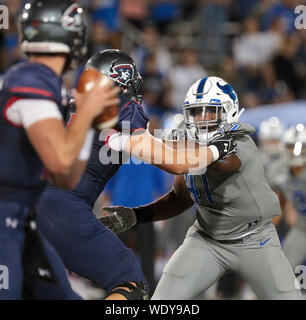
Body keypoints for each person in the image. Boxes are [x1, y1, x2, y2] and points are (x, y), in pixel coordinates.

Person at [36, 61, 237, 299]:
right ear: (121, 84)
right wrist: (215, 150)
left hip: (24, 205)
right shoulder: (123, 109)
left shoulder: (68, 107)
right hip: (62, 208)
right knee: (132, 284)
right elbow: (175, 164)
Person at [101, 76, 304, 300]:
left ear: (228, 112)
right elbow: (179, 199)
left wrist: (131, 142)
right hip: (207, 239)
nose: (203, 118)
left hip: (255, 239)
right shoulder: (192, 144)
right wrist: (137, 215)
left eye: (211, 111)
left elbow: (191, 163)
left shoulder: (238, 142)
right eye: (197, 112)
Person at [0, 0, 120, 300]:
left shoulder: (44, 83)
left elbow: (65, 177)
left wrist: (89, 124)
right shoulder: (31, 79)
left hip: (22, 223)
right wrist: (88, 110)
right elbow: (58, 160)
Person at [280, 125, 306, 272]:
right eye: (291, 146)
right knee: (285, 268)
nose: (296, 151)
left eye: (301, 146)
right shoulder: (278, 169)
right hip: (301, 226)